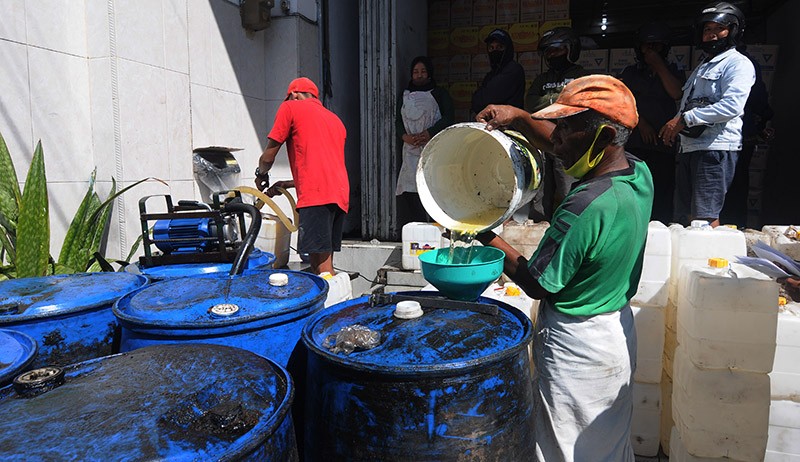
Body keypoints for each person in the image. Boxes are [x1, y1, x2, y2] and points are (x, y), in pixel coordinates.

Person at [476, 74, 654, 461]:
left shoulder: (583, 205)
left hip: (578, 350)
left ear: (605, 137)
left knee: (563, 449)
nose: (555, 138)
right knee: (605, 445)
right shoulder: (637, 174)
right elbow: (564, 147)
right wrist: (521, 118)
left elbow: (539, 284)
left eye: (566, 128)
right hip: (616, 332)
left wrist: (483, 232)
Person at [659, 1, 755, 228]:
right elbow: (689, 103)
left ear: (733, 31)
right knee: (684, 216)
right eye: (707, 30)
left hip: (714, 149)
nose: (711, 35)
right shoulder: (704, 65)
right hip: (691, 147)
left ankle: (703, 260)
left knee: (704, 217)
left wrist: (685, 120)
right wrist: (676, 123)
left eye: (718, 29)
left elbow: (732, 106)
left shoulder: (737, 64)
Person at [255, 77, 349, 275]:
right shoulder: (335, 120)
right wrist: (288, 184)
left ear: (294, 94)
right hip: (339, 195)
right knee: (323, 261)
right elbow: (323, 168)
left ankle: (331, 303)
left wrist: (261, 174)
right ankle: (333, 300)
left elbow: (269, 155)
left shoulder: (290, 107)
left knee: (321, 269)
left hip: (317, 197)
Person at [619, 22, 686, 224]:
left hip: (663, 145)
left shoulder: (674, 70)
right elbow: (623, 101)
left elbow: (676, 93)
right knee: (634, 191)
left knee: (661, 194)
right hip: (636, 144)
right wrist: (642, 124)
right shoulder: (630, 72)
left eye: (656, 46)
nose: (651, 50)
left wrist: (658, 65)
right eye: (646, 46)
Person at [525, 27, 588, 222]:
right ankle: (539, 227)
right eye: (549, 52)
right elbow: (531, 104)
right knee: (539, 192)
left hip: (568, 140)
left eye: (557, 50)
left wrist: (549, 102)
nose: (552, 55)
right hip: (541, 140)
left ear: (571, 50)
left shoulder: (582, 76)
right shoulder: (542, 79)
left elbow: (580, 104)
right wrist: (561, 100)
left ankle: (570, 225)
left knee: (567, 188)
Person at [395, 56, 454, 227]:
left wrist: (429, 132)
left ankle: (436, 228)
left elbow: (449, 117)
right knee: (410, 188)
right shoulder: (404, 96)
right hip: (410, 150)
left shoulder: (440, 94)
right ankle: (419, 228)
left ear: (429, 73)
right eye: (415, 72)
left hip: (433, 148)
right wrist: (405, 136)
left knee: (433, 187)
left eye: (423, 71)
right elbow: (397, 121)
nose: (419, 75)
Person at [470, 28, 526, 115]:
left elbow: (485, 100)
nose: (495, 51)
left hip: (509, 125)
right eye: (491, 48)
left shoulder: (513, 69)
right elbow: (476, 103)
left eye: (500, 47)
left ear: (508, 49)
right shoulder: (491, 74)